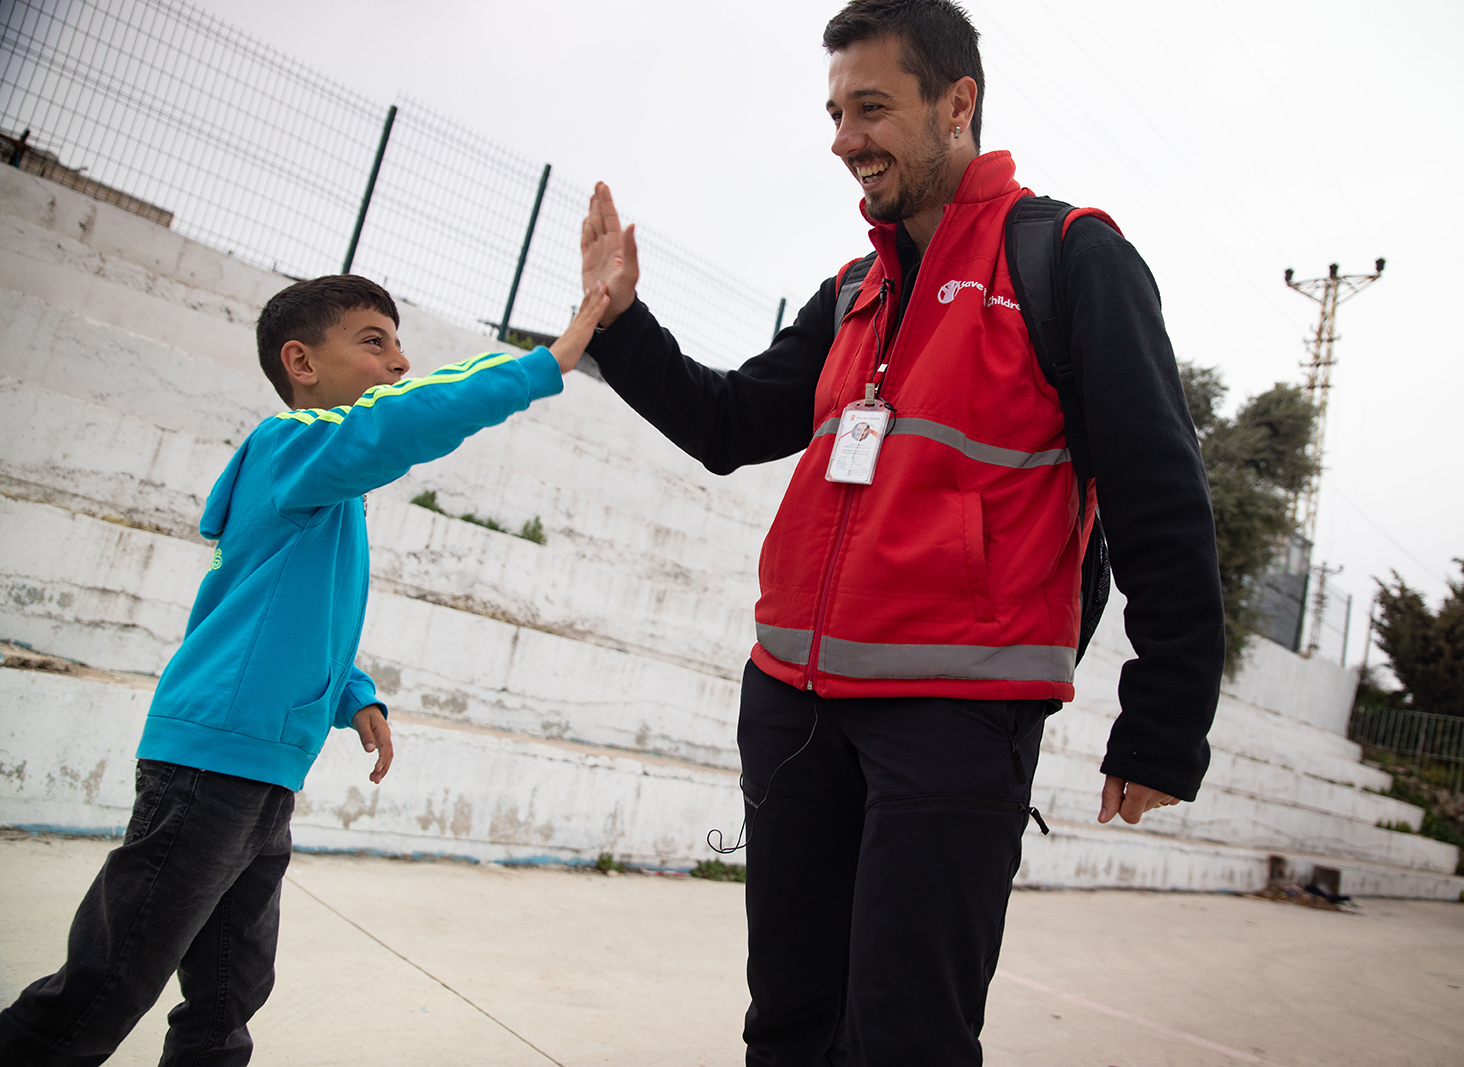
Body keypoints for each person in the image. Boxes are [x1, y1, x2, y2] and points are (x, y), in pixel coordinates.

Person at [581, 0, 1224, 1062]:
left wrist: (1163, 720)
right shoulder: (852, 291)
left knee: (904, 1036)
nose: (844, 140)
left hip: (955, 718)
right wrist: (619, 320)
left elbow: (1162, 496)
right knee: (787, 1020)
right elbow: (727, 423)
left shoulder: (1071, 258)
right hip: (791, 706)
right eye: (835, 112)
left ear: (957, 103)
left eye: (870, 108)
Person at [0, 274, 609, 1066]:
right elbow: (397, 423)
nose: (399, 360)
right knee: (107, 983)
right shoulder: (294, 448)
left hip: (263, 774)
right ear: (301, 362)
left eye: (399, 341)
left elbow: (298, 618)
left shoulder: (323, 486)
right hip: (210, 763)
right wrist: (548, 361)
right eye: (374, 341)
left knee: (226, 996)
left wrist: (356, 696)